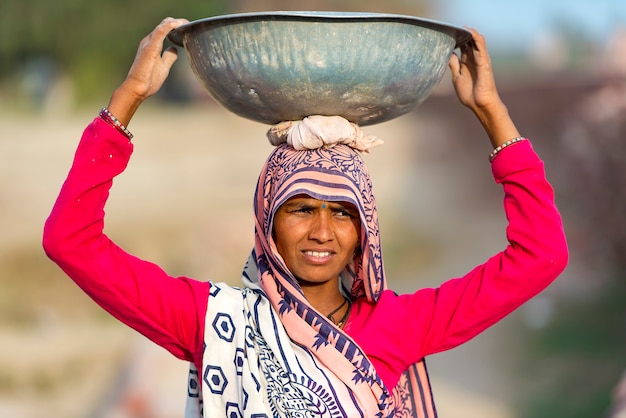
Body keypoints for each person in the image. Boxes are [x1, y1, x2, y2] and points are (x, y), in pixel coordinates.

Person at [43, 17, 568, 417]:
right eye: (300, 209)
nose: (322, 232)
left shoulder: (395, 326)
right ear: (266, 221)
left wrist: (492, 112)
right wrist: (128, 99)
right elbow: (70, 240)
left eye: (343, 213)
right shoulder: (211, 323)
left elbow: (541, 255)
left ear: (365, 231)